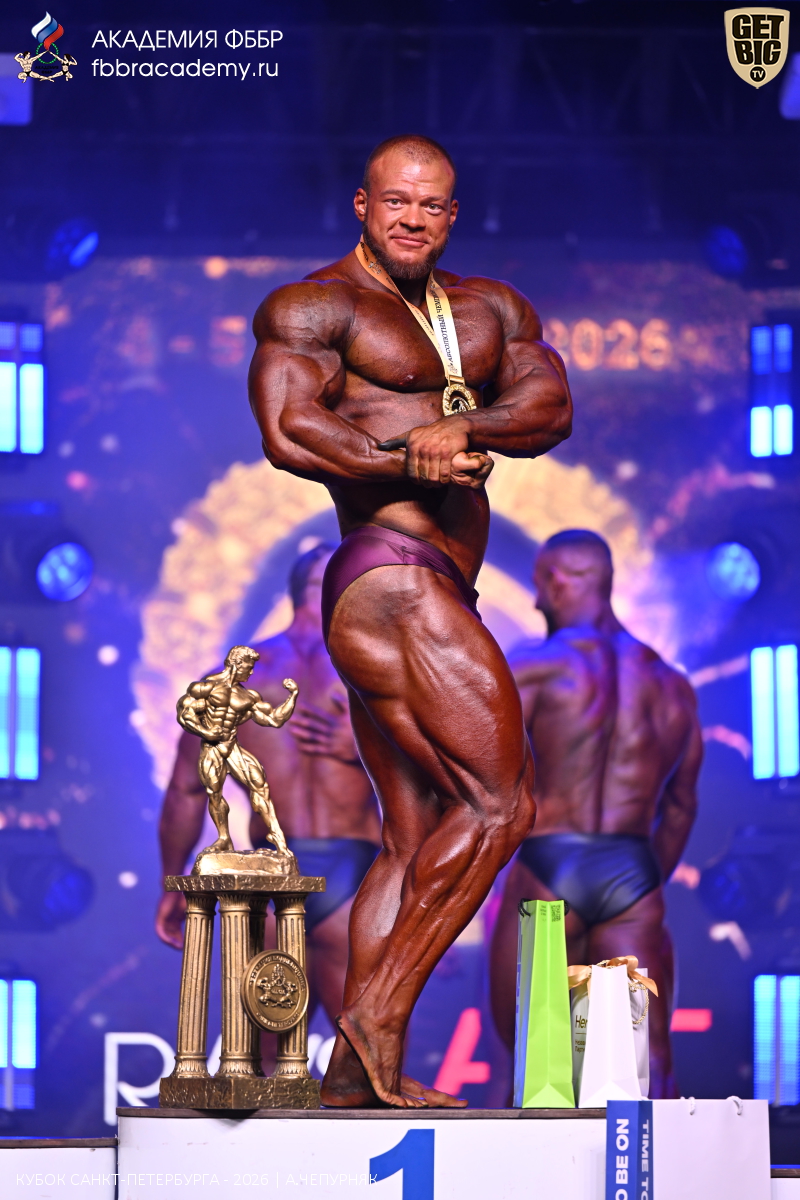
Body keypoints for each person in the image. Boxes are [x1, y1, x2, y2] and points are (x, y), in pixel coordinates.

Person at [248, 133, 572, 1107]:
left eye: (431, 206)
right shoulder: (317, 306)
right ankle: (378, 1016)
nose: (412, 219)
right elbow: (290, 430)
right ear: (362, 204)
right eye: (396, 202)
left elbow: (548, 404)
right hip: (389, 576)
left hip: (434, 588)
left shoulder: (489, 307)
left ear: (452, 215)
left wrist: (462, 425)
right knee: (502, 806)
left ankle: (353, 1075)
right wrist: (404, 460)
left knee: (412, 834)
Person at [489, 529, 702, 1099]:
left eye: (539, 586)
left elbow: (483, 782)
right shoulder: (670, 685)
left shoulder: (532, 668)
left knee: (536, 1060)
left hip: (548, 868)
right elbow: (681, 807)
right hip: (633, 870)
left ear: (560, 580)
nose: (536, 600)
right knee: (645, 1064)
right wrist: (641, 879)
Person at [156, 544, 382, 1031]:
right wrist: (371, 742)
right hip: (355, 871)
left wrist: (171, 883)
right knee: (363, 1048)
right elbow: (433, 777)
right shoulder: (374, 672)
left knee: (264, 1055)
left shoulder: (231, 681)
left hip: (273, 871)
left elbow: (185, 792)